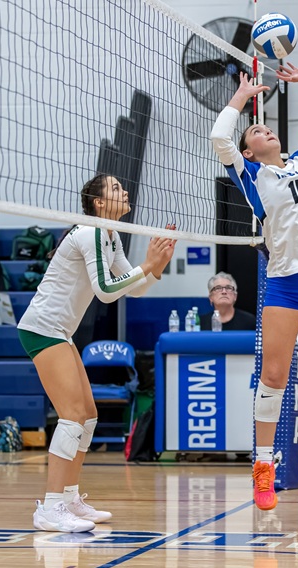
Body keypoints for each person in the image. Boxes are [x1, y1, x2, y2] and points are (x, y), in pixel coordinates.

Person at [210, 64, 298, 510]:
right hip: (286, 283)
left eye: (266, 126)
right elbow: (219, 139)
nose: (264, 129)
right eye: (255, 130)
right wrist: (240, 97)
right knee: (273, 378)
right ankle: (264, 466)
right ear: (248, 152)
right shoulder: (251, 176)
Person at [17, 174, 176, 532]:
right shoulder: (89, 232)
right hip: (42, 329)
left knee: (87, 415)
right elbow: (105, 292)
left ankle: (70, 498)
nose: (126, 190)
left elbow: (132, 290)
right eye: (116, 188)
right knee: (72, 416)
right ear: (99, 203)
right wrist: (147, 265)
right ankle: (50, 507)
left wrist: (157, 266)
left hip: (60, 332)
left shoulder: (110, 234)